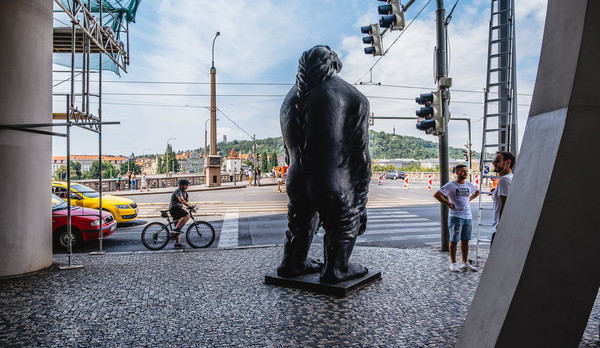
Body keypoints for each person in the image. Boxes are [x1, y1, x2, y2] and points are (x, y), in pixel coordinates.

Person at [434, 164, 480, 272]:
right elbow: (437, 194)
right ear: (457, 172)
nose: (465, 173)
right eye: (463, 171)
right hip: (456, 216)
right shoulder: (451, 185)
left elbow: (477, 192)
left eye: (466, 171)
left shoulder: (468, 184)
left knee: (466, 240)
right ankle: (453, 263)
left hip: (467, 216)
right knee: (454, 240)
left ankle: (465, 263)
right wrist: (448, 203)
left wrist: (469, 199)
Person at [490, 151, 515, 247]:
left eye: (497, 160)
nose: (493, 163)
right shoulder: (512, 178)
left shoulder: (503, 180)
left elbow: (504, 206)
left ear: (508, 162)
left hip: (500, 229)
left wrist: (500, 227)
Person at [169, 179, 192, 249]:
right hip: (174, 209)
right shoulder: (178, 191)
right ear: (182, 185)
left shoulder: (183, 192)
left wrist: (187, 195)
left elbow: (186, 200)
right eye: (186, 184)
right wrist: (189, 206)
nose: (187, 186)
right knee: (187, 215)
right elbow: (181, 200)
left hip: (177, 209)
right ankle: (176, 230)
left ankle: (177, 244)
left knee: (178, 226)